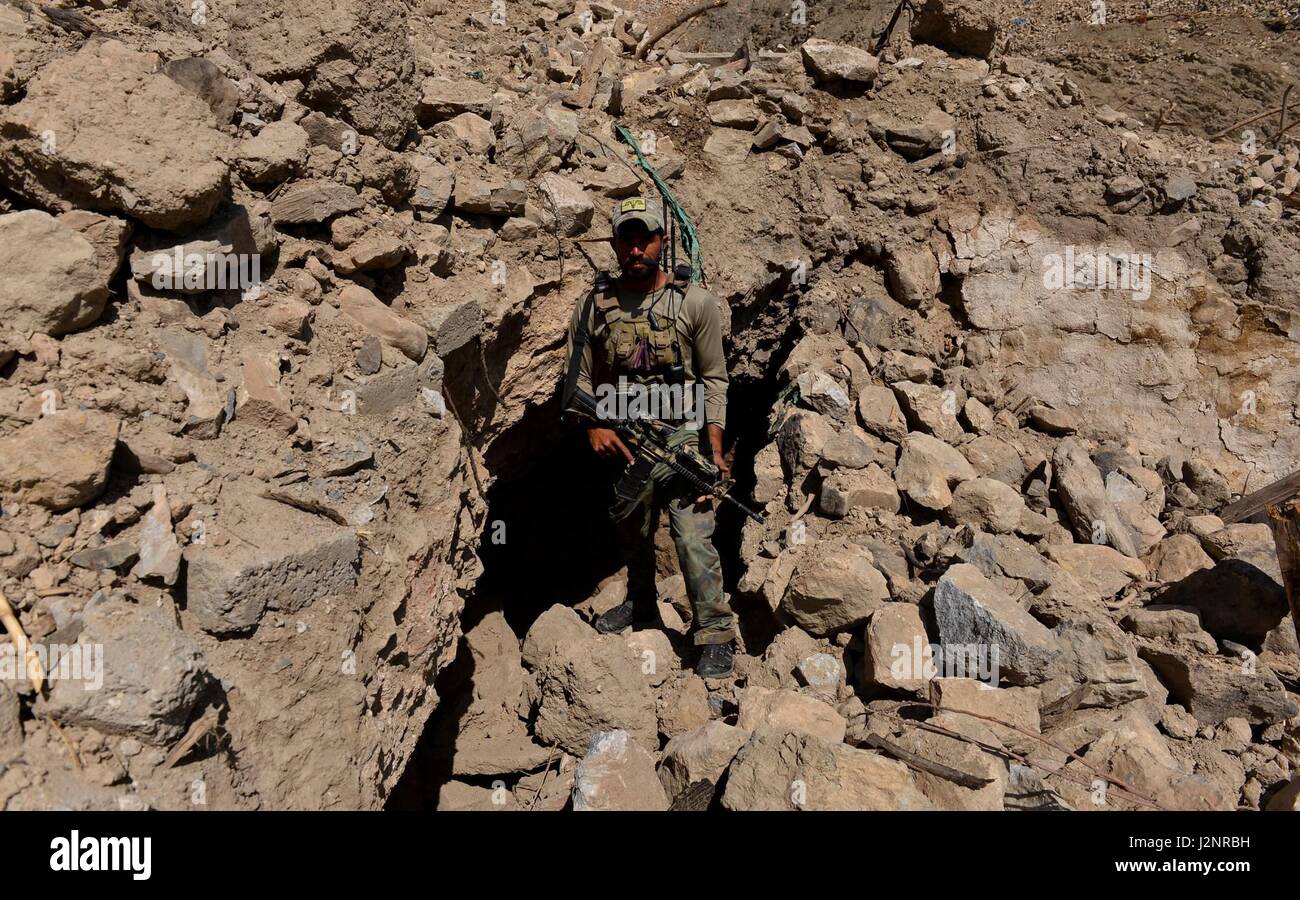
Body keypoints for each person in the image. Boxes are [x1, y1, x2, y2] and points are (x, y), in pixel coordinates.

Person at [562, 195, 738, 678]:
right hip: (627, 435)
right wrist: (596, 423)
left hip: (682, 434)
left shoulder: (694, 302)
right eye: (627, 240)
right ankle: (642, 605)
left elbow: (714, 378)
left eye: (646, 239)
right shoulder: (594, 307)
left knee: (691, 533)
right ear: (615, 244)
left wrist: (714, 448)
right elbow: (576, 378)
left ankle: (716, 634)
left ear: (662, 241)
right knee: (631, 527)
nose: (636, 249)